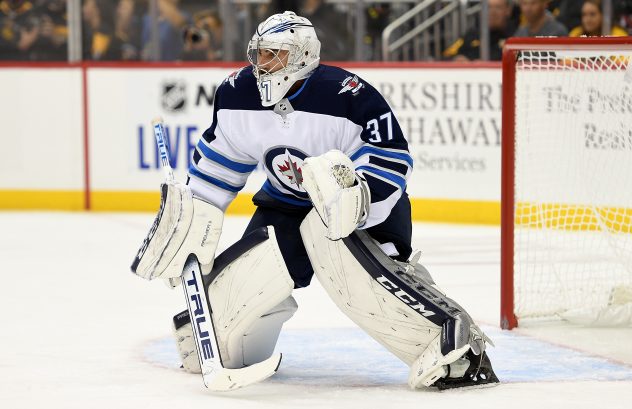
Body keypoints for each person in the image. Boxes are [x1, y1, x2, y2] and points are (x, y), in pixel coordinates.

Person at [131, 11, 498, 391]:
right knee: (245, 282)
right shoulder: (237, 93)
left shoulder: (349, 95)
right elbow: (217, 166)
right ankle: (227, 345)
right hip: (285, 206)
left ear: (303, 55)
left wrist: (355, 202)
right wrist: (191, 218)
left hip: (361, 212)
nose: (262, 65)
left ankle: (456, 347)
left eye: (275, 55)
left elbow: (391, 159)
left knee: (358, 282)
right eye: (259, 54)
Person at [444, 0, 515, 61]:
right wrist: (456, 59)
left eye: (498, 8)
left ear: (508, 10)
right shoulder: (471, 35)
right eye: (488, 7)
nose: (492, 12)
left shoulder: (514, 36)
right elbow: (445, 56)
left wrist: (487, 65)